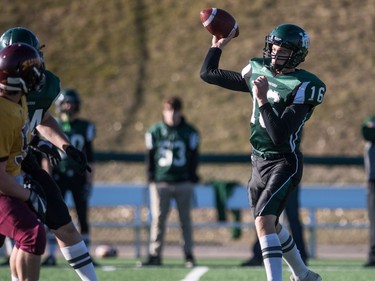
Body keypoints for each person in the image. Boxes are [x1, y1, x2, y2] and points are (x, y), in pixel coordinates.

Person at [200, 23, 326, 281]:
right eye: (273, 47)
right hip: (257, 161)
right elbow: (208, 73)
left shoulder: (304, 84)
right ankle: (303, 274)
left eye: (282, 50)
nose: (274, 53)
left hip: (284, 162)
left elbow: (280, 135)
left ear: (297, 54)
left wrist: (262, 100)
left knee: (263, 222)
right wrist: (217, 47)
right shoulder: (258, 69)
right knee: (272, 225)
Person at [0, 27, 99, 281]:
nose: (37, 68)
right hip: (7, 169)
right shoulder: (5, 105)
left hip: (19, 159)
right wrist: (28, 195)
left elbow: (38, 117)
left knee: (48, 228)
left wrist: (59, 144)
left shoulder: (22, 96)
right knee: (28, 234)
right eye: (27, 62)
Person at [0, 43, 47, 281]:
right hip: (2, 187)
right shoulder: (3, 112)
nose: (38, 74)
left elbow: (19, 135)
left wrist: (38, 142)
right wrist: (28, 196)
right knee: (32, 235)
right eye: (32, 70)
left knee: (27, 236)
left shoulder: (18, 100)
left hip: (9, 182)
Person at [140, 96, 200, 268]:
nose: (172, 114)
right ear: (163, 111)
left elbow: (194, 156)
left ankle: (188, 254)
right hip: (161, 181)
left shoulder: (189, 131)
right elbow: (149, 157)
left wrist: (192, 176)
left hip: (183, 181)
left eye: (175, 110)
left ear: (181, 112)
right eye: (168, 110)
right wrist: (151, 177)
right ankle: (155, 254)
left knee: (185, 221)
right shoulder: (155, 131)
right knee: (158, 220)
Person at [42, 88, 96, 267]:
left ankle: (86, 255)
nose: (69, 105)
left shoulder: (85, 126)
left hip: (79, 177)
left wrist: (89, 182)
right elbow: (46, 157)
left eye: (72, 102)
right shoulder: (53, 124)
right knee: (54, 216)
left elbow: (90, 156)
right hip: (59, 176)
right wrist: (47, 178)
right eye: (66, 102)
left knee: (83, 216)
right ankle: (51, 255)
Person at [241, 186, 308, 266]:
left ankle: (301, 256)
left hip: (286, 179)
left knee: (292, 219)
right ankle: (259, 255)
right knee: (263, 217)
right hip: (271, 179)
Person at [361, 115, 375, 267]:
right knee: (374, 221)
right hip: (373, 180)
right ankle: (373, 255)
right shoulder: (370, 120)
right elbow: (366, 131)